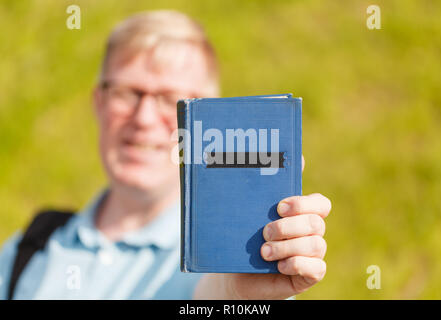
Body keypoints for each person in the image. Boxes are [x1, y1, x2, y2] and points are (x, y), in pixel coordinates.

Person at [0, 10, 332, 300]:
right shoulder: (27, 249)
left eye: (171, 99)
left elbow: (219, 292)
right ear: (98, 103)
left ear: (205, 120)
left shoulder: (225, 250)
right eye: (127, 93)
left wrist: (239, 292)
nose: (143, 118)